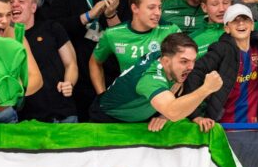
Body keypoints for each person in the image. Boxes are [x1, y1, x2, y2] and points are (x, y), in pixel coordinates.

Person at [45, 0, 130, 120]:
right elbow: (52, 28)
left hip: (109, 79)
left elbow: (125, 41)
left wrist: (111, 15)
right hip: (74, 79)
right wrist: (87, 16)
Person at [184, 3, 258, 124]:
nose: (241, 24)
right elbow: (194, 73)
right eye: (235, 21)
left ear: (252, 25)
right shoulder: (220, 49)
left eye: (245, 19)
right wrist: (195, 115)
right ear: (227, 28)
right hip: (223, 125)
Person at [89, 33, 223, 131]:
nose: (191, 67)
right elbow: (173, 112)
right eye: (184, 61)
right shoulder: (150, 78)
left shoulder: (168, 58)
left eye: (193, 60)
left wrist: (163, 115)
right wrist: (206, 89)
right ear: (165, 61)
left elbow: (177, 83)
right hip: (108, 119)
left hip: (140, 117)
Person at [89, 0, 180, 95]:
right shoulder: (112, 34)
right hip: (129, 99)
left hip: (163, 98)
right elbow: (94, 62)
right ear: (135, 8)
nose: (158, 13)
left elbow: (189, 56)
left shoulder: (171, 31)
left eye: (159, 7)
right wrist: (102, 95)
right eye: (151, 7)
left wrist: (180, 80)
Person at [9, 0, 78, 123]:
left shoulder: (52, 28)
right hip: (25, 118)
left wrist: (69, 83)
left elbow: (71, 63)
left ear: (33, 7)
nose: (15, 5)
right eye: (11, 2)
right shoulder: (4, 39)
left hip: (61, 113)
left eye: (21, 1)